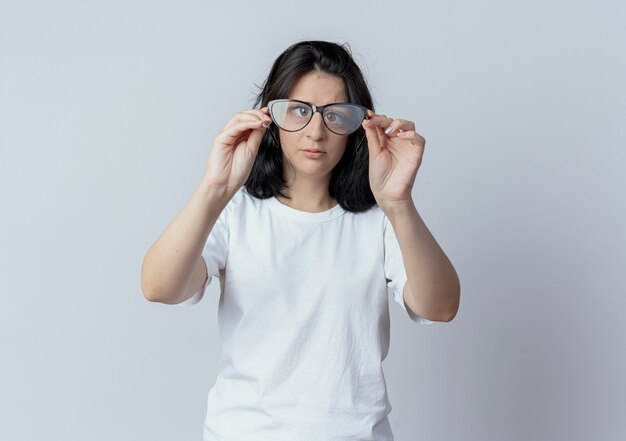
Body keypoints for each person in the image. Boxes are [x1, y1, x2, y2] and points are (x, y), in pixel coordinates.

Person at [141, 40, 460, 441]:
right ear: (270, 116)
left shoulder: (379, 220)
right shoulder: (235, 211)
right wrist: (215, 187)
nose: (315, 131)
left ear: (357, 124)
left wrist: (398, 202)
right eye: (298, 110)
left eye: (335, 115)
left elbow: (441, 307)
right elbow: (159, 287)